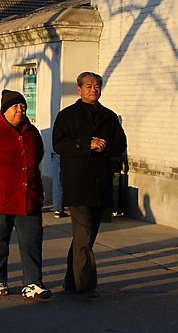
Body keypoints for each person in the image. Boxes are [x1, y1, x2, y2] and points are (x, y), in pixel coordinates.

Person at [0, 89, 51, 300]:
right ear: (5, 111)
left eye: (23, 106)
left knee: (32, 241)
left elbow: (38, 156)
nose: (20, 110)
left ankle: (33, 283)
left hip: (28, 197)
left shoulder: (32, 133)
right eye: (15, 107)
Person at [52, 72, 127, 298]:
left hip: (101, 183)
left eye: (97, 86)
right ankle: (86, 284)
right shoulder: (67, 116)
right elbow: (59, 144)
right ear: (79, 89)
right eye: (88, 86)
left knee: (85, 236)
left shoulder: (109, 116)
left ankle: (70, 280)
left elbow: (120, 143)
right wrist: (87, 144)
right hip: (78, 184)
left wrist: (106, 146)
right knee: (84, 233)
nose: (93, 89)